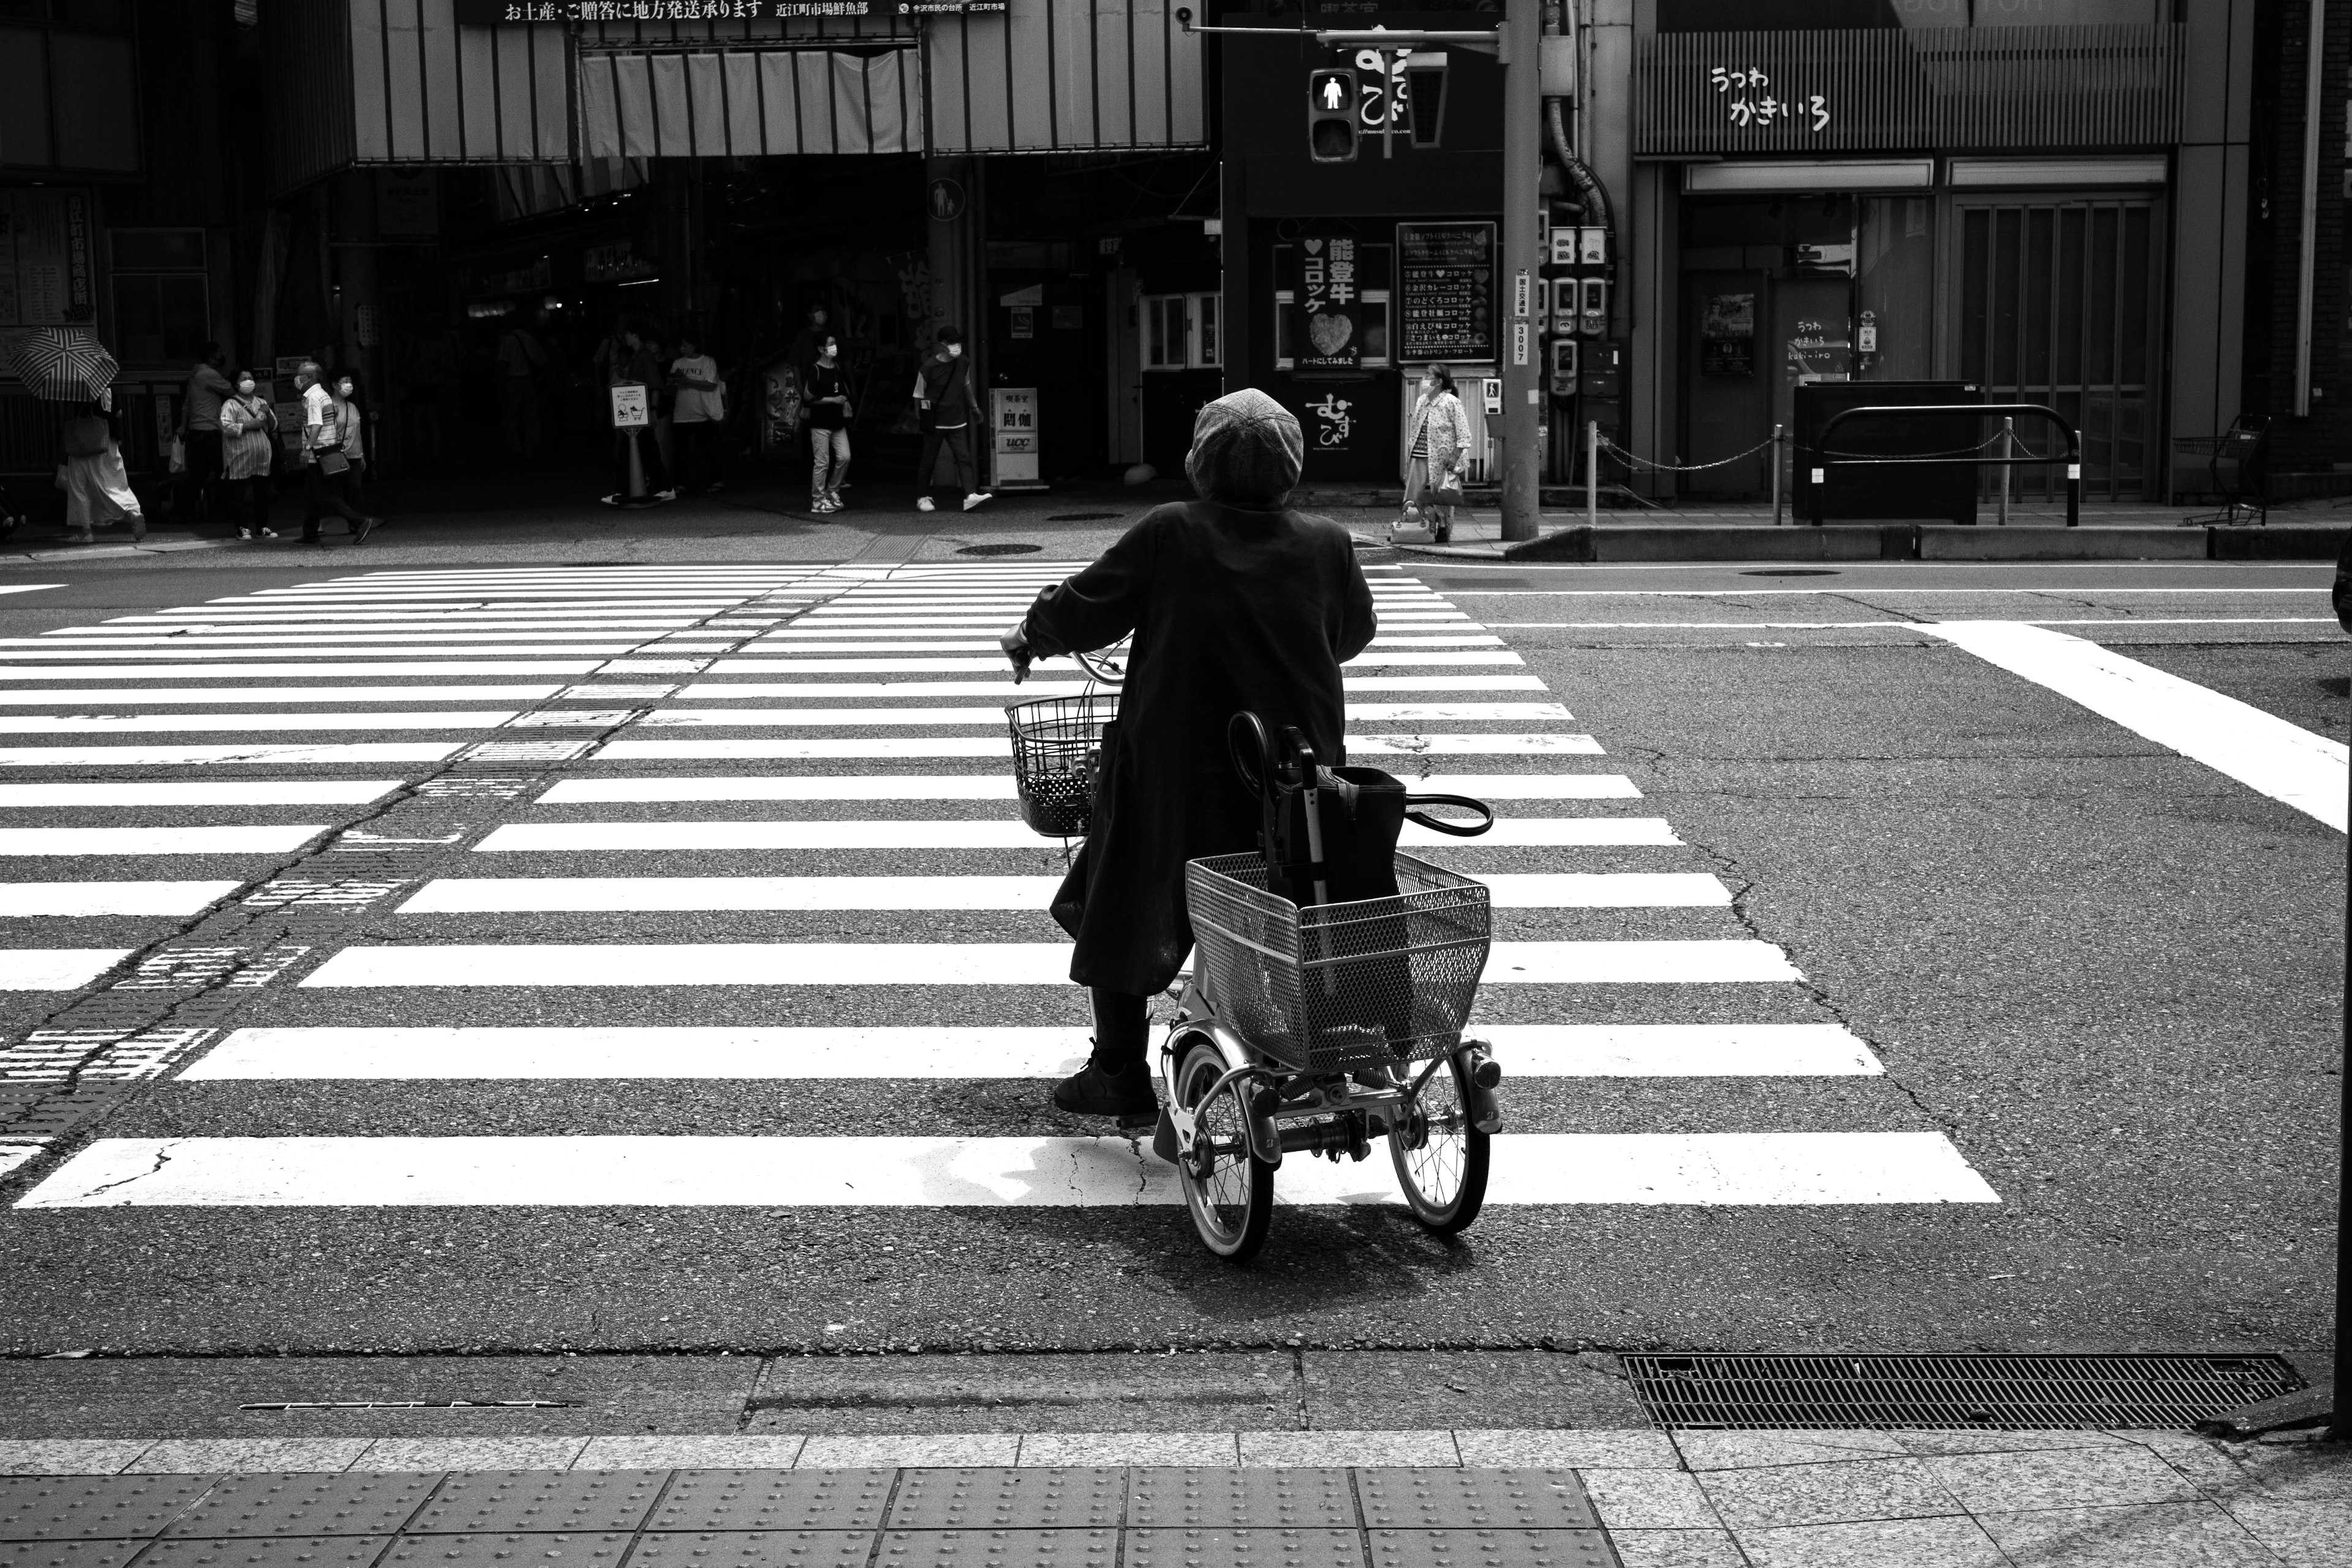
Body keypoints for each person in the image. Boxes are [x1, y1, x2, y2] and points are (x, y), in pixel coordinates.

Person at [996, 388, 1376, 1115]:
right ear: (1291, 463)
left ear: (1202, 461)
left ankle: (1117, 1071)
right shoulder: (1327, 541)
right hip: (1294, 770)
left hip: (1180, 767)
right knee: (1298, 889)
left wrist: (1029, 636)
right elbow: (1353, 634)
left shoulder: (1173, 530)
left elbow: (1088, 603)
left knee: (1125, 890)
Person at [295, 360, 379, 546]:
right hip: (325, 451)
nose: (297, 378)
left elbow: (316, 425)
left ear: (308, 378)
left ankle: (359, 521)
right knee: (311, 495)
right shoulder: (323, 395)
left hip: (318, 454)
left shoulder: (314, 398)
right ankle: (310, 533)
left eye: (299, 375)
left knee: (326, 494)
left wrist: (307, 448)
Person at [913, 326, 987, 514]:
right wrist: (920, 417)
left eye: (958, 342)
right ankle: (922, 497)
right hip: (935, 420)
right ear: (943, 345)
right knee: (929, 459)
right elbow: (918, 394)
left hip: (957, 419)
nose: (957, 346)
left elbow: (966, 385)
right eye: (952, 343)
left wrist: (975, 408)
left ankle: (970, 495)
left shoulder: (963, 362)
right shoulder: (928, 367)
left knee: (964, 457)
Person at [58, 389, 145, 546]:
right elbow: (118, 413)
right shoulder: (106, 384)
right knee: (113, 484)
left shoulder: (75, 388)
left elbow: (72, 414)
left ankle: (87, 532)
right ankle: (131, 513)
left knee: (80, 488)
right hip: (108, 441)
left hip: (84, 443)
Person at [603, 321, 676, 507]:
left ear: (634, 334)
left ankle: (623, 491)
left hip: (641, 413)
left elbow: (655, 384)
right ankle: (663, 488)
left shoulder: (644, 357)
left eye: (627, 334)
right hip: (638, 413)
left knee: (633, 451)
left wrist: (652, 410)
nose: (625, 337)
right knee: (646, 451)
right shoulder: (639, 356)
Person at [1400, 362, 1470, 543]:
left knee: (1442, 496)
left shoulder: (1452, 402)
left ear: (1438, 381)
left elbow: (1464, 434)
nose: (1424, 380)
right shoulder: (1421, 400)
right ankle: (1410, 526)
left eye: (1428, 376)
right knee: (1412, 495)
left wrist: (1455, 457)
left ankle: (1444, 529)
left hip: (1443, 457)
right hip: (1419, 454)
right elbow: (1416, 427)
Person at [173, 342, 233, 523]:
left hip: (195, 433)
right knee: (224, 472)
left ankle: (182, 512)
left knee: (197, 476)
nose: (221, 357)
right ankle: (227, 511)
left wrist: (184, 426)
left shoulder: (194, 375)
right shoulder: (209, 374)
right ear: (210, 358)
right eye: (219, 354)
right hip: (211, 432)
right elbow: (231, 390)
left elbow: (187, 405)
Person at [217, 368, 279, 539]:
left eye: (250, 378)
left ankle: (262, 526)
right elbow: (225, 427)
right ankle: (242, 527)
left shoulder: (261, 402)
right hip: (239, 457)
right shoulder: (231, 404)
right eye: (244, 378)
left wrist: (268, 413)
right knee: (238, 494)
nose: (248, 381)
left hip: (262, 458)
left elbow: (274, 426)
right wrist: (248, 426)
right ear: (236, 383)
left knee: (263, 493)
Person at [668, 328, 727, 494]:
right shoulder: (678, 363)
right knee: (680, 451)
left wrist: (688, 382)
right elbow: (673, 386)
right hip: (682, 413)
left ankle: (717, 481)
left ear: (694, 345)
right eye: (680, 346)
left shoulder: (707, 362)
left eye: (685, 345)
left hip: (703, 413)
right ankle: (680, 483)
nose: (682, 349)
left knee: (708, 449)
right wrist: (673, 384)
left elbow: (712, 384)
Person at [804, 333, 852, 513]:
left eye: (834, 343)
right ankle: (818, 500)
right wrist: (832, 400)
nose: (834, 347)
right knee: (822, 462)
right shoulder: (815, 369)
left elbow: (842, 389)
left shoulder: (836, 367)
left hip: (838, 422)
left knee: (845, 457)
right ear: (821, 349)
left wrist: (845, 402)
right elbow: (808, 399)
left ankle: (833, 491)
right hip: (820, 423)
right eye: (831, 344)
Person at [495, 316, 546, 458]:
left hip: (513, 382)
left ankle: (517, 448)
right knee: (531, 416)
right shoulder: (531, 339)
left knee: (511, 416)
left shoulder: (508, 341)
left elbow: (503, 365)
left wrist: (500, 385)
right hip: (529, 381)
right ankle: (532, 447)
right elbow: (541, 361)